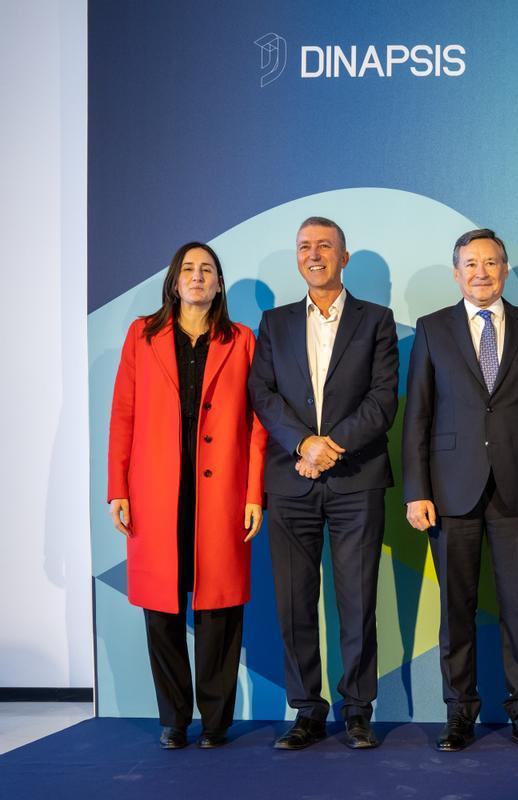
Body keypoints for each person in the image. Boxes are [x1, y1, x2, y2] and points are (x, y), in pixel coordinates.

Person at [403, 228, 518, 751]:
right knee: (456, 608)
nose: (481, 272)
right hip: (450, 492)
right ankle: (459, 713)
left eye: (491, 263)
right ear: (456, 272)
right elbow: (418, 418)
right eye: (470, 264)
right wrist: (416, 490)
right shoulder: (432, 329)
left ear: (505, 269)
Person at [107, 241, 267, 749]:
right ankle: (174, 719)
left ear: (219, 283)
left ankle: (215, 723)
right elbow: (123, 415)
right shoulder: (143, 335)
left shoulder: (242, 339)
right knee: (163, 608)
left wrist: (253, 492)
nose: (198, 277)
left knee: (219, 608)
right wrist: (118, 487)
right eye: (189, 270)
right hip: (155, 490)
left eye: (208, 270)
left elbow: (258, 423)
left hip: (221, 492)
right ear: (174, 281)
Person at [248, 217, 398, 750]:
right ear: (298, 258)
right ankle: (307, 711)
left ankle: (358, 710)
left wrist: (329, 446)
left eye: (325, 247)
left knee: (357, 601)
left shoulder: (377, 320)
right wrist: (301, 444)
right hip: (291, 480)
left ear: (344, 257)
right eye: (305, 247)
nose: (315, 255)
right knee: (293, 602)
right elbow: (263, 394)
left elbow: (383, 400)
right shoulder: (275, 322)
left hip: (356, 478)